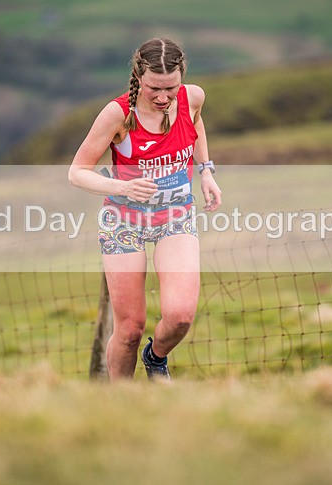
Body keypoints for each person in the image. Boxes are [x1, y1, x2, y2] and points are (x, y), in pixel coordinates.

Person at [68, 37, 222, 382]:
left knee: (181, 315)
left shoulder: (193, 97)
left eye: (171, 87)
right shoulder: (118, 114)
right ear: (139, 76)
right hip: (124, 220)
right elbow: (76, 173)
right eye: (154, 88)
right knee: (130, 329)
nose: (164, 97)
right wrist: (122, 187)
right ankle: (120, 403)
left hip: (175, 216)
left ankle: (156, 358)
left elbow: (195, 124)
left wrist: (206, 171)